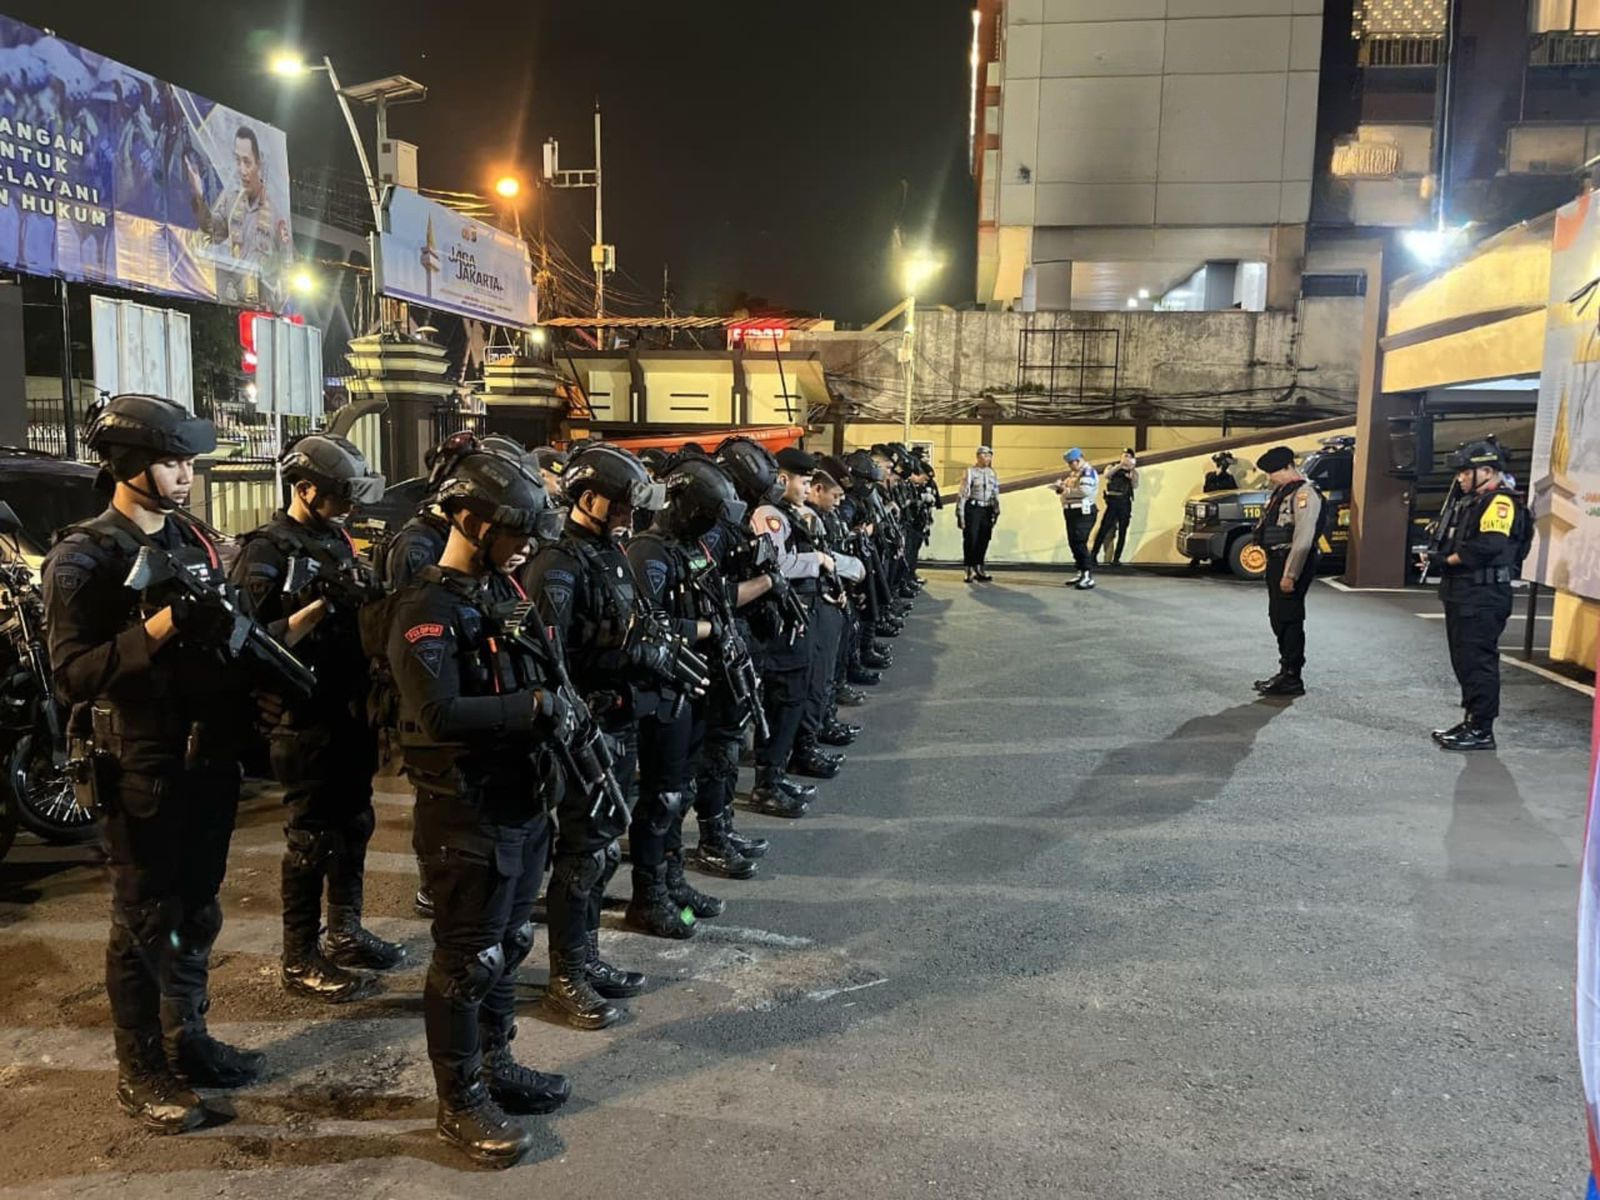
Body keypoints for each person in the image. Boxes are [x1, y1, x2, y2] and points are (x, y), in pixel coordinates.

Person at [42, 394, 261, 1133]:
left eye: (188, 461)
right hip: (139, 762)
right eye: (172, 461)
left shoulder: (192, 538)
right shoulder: (85, 556)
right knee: (143, 921)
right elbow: (72, 675)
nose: (186, 474)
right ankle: (140, 1071)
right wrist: (164, 625)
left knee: (197, 909)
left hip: (207, 756)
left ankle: (185, 1037)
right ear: (130, 465)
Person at [385, 451, 571, 1167]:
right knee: (468, 961)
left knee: (511, 944)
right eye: (513, 530)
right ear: (470, 519)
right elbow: (436, 713)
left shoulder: (500, 590)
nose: (523, 544)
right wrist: (532, 707)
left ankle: (497, 1066)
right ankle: (459, 1101)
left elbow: (542, 665)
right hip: (465, 812)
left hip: (520, 799)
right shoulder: (427, 607)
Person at [520, 444, 706, 1028]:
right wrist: (615, 660)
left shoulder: (611, 554)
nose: (629, 514)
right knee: (582, 854)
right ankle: (567, 977)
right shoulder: (558, 563)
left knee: (601, 850)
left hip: (619, 720)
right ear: (587, 498)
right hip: (585, 727)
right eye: (620, 504)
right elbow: (551, 657)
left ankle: (587, 958)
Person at [231, 435, 402, 1003]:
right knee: (311, 837)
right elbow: (249, 642)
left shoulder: (335, 538)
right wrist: (319, 605)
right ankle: (300, 956)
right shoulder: (266, 552)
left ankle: (345, 930)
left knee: (355, 822)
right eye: (338, 494)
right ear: (304, 490)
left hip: (349, 709)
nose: (348, 505)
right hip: (303, 716)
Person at [1430, 441, 1532, 752]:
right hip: (1464, 592)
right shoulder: (1474, 502)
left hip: (1483, 594)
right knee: (1464, 660)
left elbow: (1488, 546)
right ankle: (1471, 720)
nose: (1460, 478)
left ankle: (1482, 729)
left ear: (1487, 471)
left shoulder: (1500, 503)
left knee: (1478, 661)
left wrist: (1446, 561)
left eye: (1465, 472)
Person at [187, 124, 291, 308]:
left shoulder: (276, 213)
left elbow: (287, 260)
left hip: (264, 303)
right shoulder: (231, 201)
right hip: (233, 299)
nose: (242, 170)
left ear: (259, 164)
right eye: (238, 161)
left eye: (247, 162)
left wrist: (280, 298)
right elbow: (212, 229)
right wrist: (199, 195)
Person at [1251, 446, 1323, 697]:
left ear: (1287, 468)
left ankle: (1292, 676)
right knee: (1278, 616)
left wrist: (1290, 574)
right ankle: (1285, 671)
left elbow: (1303, 538)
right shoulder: (1283, 492)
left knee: (1289, 617)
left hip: (1290, 561)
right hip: (1277, 560)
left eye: (1273, 472)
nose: (1270, 478)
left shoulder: (1305, 494)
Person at [1055, 448, 1099, 590]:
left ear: (1079, 460)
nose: (1070, 466)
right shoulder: (1074, 474)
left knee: (1080, 542)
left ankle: (1087, 575)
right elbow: (1069, 488)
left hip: (1083, 512)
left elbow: (1085, 491)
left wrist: (1066, 491)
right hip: (1071, 511)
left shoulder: (1087, 472)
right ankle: (1080, 571)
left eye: (1071, 463)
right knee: (1073, 543)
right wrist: (1061, 487)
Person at [957, 446, 1000, 583]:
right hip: (973, 509)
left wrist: (996, 509)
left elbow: (995, 492)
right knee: (971, 538)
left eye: (989, 456)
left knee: (984, 539)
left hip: (987, 509)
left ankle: (979, 567)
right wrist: (960, 514)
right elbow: (963, 493)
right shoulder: (970, 472)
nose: (987, 458)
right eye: (984, 455)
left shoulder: (992, 473)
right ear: (978, 456)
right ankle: (968, 568)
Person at [1092, 449, 1138, 567]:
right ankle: (1093, 555)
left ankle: (1116, 558)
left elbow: (1135, 485)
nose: (1126, 458)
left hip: (1125, 502)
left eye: (1129, 456)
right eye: (1124, 456)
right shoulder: (1112, 466)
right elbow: (1107, 475)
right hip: (1113, 502)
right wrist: (1120, 465)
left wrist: (1131, 472)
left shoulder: (1133, 471)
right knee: (1103, 529)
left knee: (1122, 531)